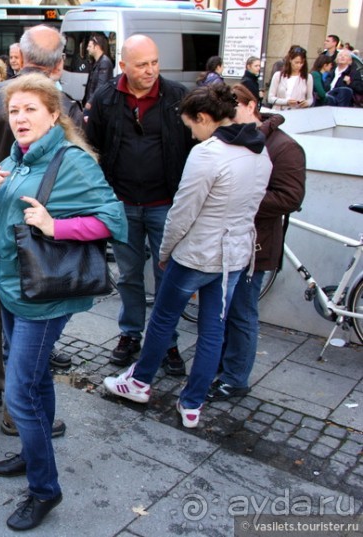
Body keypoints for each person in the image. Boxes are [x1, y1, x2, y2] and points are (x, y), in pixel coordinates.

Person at [0, 74, 126, 531]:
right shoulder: (12, 161)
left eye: (31, 109)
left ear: (54, 114)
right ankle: (34, 450)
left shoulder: (71, 162)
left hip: (43, 297)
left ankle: (44, 489)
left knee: (20, 391)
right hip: (10, 287)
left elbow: (114, 219)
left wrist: (58, 227)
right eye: (14, 111)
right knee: (33, 378)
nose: (20, 118)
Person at [103, 84, 272, 428]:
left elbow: (183, 211)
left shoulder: (209, 153)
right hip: (234, 256)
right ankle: (192, 403)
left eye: (192, 126)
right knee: (213, 329)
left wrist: (165, 251)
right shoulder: (259, 151)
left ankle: (139, 382)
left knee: (164, 319)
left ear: (205, 118)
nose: (191, 135)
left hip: (197, 254)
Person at [0, 24, 82, 435]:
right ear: (59, 64)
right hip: (34, 234)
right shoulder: (59, 105)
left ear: (19, 58)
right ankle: (17, 410)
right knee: (26, 318)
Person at [85, 35, 192, 374]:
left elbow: (194, 147)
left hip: (166, 204)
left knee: (168, 276)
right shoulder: (105, 99)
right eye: (143, 64)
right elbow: (93, 151)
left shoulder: (177, 96)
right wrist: (103, 197)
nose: (151, 70)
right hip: (123, 203)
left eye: (155, 62)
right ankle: (130, 333)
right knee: (130, 275)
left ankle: (167, 340)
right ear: (124, 66)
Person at [207, 84, 305, 402]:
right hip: (225, 239)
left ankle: (235, 379)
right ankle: (220, 368)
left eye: (232, 113)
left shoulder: (284, 146)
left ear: (251, 106)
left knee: (242, 312)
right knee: (221, 310)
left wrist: (239, 196)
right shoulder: (232, 138)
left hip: (256, 243)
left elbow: (290, 197)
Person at [83, 32, 114, 119]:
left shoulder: (104, 62)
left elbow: (101, 85)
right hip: (95, 103)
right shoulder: (97, 62)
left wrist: (90, 102)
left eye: (89, 46)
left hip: (97, 104)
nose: (87, 49)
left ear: (96, 47)